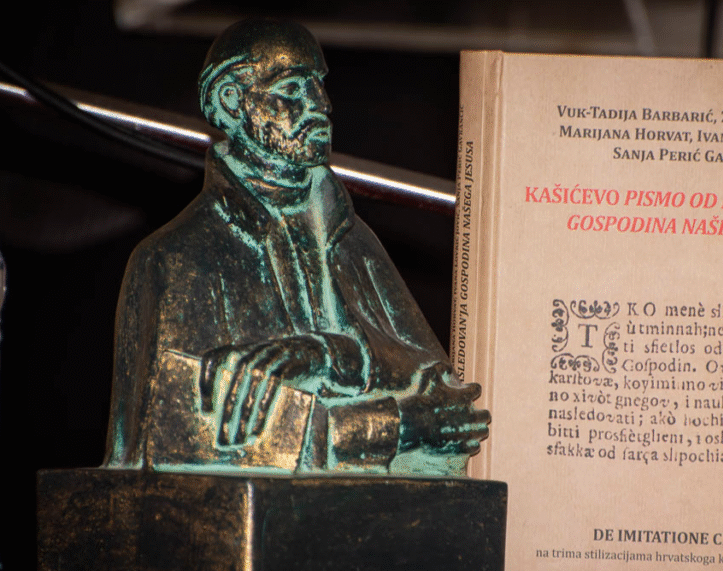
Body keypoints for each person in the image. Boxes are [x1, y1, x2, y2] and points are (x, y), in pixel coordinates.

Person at [104, 18, 487, 475]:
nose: (321, 104)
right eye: (292, 88)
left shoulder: (351, 238)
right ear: (231, 102)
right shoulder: (174, 259)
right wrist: (396, 425)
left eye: (319, 85)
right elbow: (189, 445)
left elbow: (449, 401)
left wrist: (326, 355)